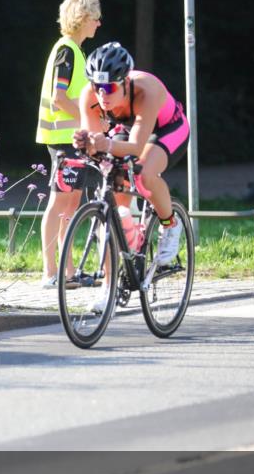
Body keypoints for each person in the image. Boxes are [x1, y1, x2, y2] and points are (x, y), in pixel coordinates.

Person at [73, 41, 190, 311]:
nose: (102, 94)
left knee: (145, 173)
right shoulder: (89, 95)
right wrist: (85, 143)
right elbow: (95, 142)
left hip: (167, 129)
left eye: (109, 88)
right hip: (127, 130)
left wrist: (104, 144)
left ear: (125, 82)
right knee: (112, 207)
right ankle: (110, 285)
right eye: (97, 86)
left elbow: (136, 147)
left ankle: (170, 224)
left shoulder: (146, 90)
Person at [36, 0, 102, 289]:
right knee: (60, 202)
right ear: (82, 18)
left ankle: (68, 272)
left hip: (73, 140)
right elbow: (60, 98)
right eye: (95, 17)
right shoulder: (66, 51)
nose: (99, 23)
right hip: (64, 140)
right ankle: (51, 273)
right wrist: (90, 120)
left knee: (71, 204)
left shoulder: (75, 51)